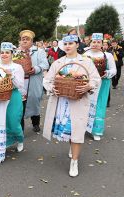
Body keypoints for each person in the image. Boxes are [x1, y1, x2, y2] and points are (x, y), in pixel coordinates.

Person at [43, 34, 101, 177]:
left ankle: (74, 161)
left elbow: (95, 79)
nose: (68, 46)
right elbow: (47, 80)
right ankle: (72, 148)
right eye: (66, 44)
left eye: (71, 43)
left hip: (79, 102)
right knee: (71, 131)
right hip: (62, 103)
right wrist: (52, 89)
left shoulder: (86, 62)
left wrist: (88, 86)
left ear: (77, 45)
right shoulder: (58, 63)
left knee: (77, 130)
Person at [83, 33, 116, 141]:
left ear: (102, 44)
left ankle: (96, 130)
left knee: (99, 106)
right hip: (87, 85)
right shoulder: (84, 54)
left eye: (98, 42)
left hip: (102, 85)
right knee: (85, 105)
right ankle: (83, 127)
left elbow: (113, 70)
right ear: (90, 42)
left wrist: (106, 73)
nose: (96, 44)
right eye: (94, 42)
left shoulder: (108, 55)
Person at [18, 30, 49, 132]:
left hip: (34, 81)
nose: (25, 41)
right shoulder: (17, 52)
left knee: (34, 101)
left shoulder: (39, 51)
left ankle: (35, 123)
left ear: (32, 41)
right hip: (21, 83)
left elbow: (45, 64)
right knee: (20, 104)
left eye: (27, 39)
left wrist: (35, 69)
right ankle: (20, 128)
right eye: (23, 39)